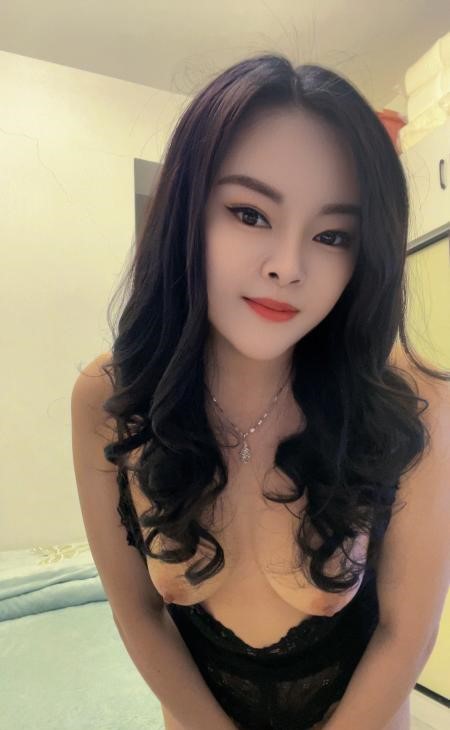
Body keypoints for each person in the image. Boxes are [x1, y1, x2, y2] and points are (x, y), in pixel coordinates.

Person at [98, 53, 450, 730]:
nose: (288, 266)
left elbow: (407, 633)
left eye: (332, 235)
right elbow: (138, 612)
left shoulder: (414, 402)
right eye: (250, 213)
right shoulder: (111, 397)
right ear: (187, 213)